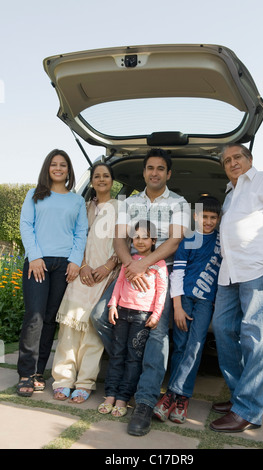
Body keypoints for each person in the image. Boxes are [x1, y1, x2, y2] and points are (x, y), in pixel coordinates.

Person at [91, 148, 190, 435]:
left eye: (160, 168)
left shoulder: (180, 203)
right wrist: (130, 267)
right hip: (128, 270)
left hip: (161, 275)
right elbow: (119, 238)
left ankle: (145, 401)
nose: (154, 172)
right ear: (144, 171)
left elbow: (173, 242)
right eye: (150, 168)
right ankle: (134, 368)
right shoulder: (128, 202)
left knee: (157, 333)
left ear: (168, 173)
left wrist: (145, 265)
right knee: (99, 316)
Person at [209, 143, 263, 432]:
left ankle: (248, 410)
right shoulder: (230, 194)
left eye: (237, 157)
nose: (232, 163)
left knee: (256, 339)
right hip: (229, 273)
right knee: (223, 330)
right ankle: (239, 396)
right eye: (227, 161)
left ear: (249, 159)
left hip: (261, 269)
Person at [17, 149, 88, 397]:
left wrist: (75, 261)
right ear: (47, 168)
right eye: (54, 164)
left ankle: (38, 372)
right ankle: (25, 373)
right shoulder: (34, 195)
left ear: (69, 170)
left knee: (49, 319)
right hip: (38, 262)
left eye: (63, 165)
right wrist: (34, 256)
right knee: (34, 316)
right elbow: (26, 225)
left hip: (64, 265)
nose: (58, 168)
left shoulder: (77, 201)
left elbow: (81, 233)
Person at [51, 163, 120, 403]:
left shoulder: (121, 208)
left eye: (106, 176)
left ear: (113, 180)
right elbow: (73, 237)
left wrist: (108, 266)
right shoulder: (82, 207)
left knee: (92, 331)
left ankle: (85, 382)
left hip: (104, 275)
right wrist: (82, 266)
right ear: (91, 181)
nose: (101, 179)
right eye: (97, 176)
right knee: (68, 328)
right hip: (81, 272)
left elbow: (127, 241)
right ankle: (62, 380)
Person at [153, 196, 222, 424]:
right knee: (180, 346)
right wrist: (177, 306)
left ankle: (176, 397)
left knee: (195, 347)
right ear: (196, 216)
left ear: (219, 219)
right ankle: (177, 396)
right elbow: (178, 273)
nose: (209, 221)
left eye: (213, 217)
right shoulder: (189, 239)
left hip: (205, 302)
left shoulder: (222, 242)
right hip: (183, 300)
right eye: (205, 216)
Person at [98, 220, 168, 417]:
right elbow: (120, 282)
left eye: (145, 237)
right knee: (117, 355)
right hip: (122, 313)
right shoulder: (129, 260)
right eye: (136, 237)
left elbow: (161, 292)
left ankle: (123, 397)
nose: (140, 241)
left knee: (133, 358)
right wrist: (112, 304)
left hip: (142, 317)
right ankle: (110, 394)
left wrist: (156, 315)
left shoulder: (159, 265)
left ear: (154, 240)